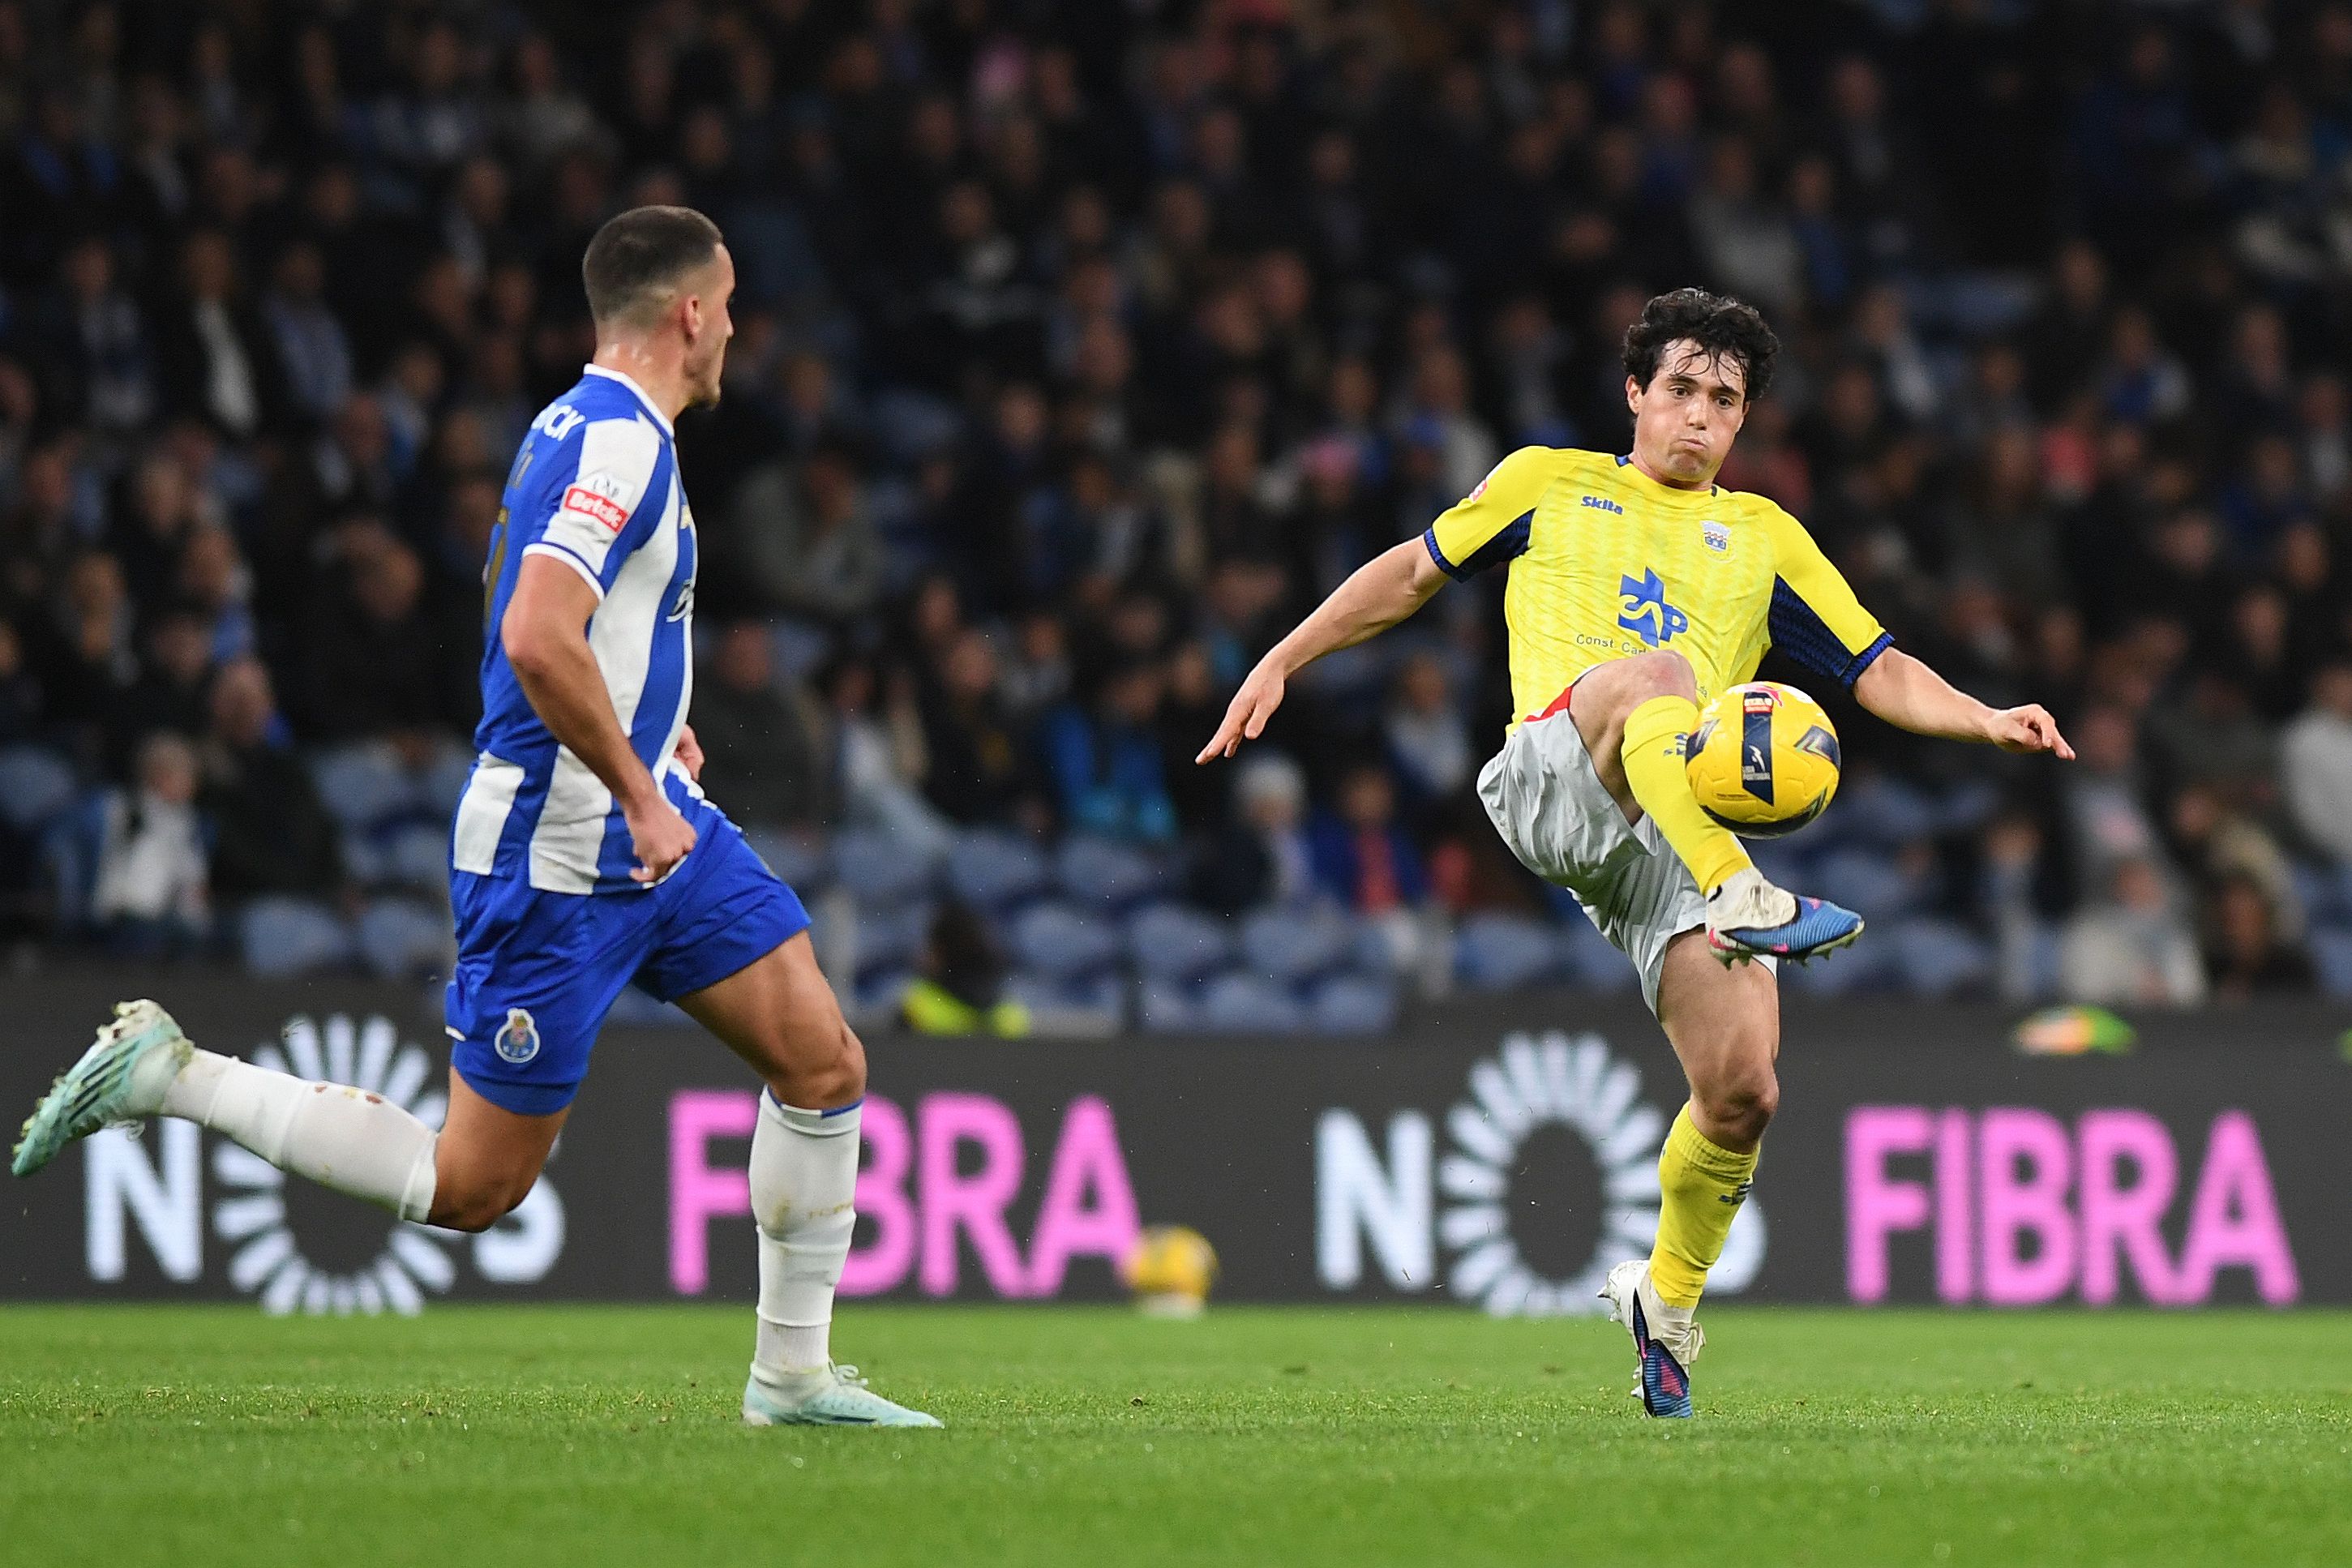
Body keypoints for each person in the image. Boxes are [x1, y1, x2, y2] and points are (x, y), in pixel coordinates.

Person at [11, 207, 936, 1430]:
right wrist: (635, 780)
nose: (736, 333)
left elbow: (550, 616)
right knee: (471, 1188)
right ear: (691, 313)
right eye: (729, 307)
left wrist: (651, 731)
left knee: (823, 1059)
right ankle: (171, 1075)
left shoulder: (580, 423)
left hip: (644, 819)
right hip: (560, 852)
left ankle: (791, 1377)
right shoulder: (622, 446)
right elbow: (534, 633)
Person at [1198, 289, 2074, 1417]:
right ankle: (1740, 884)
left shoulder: (1765, 538)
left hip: (1665, 819)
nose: (1700, 418)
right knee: (1662, 672)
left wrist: (1985, 715)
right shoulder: (1546, 481)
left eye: (1724, 400)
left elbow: (1875, 666)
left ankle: (1663, 1299)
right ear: (1634, 394)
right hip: (1552, 773)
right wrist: (1284, 654)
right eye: (1680, 391)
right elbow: (1411, 572)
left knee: (1743, 1088)